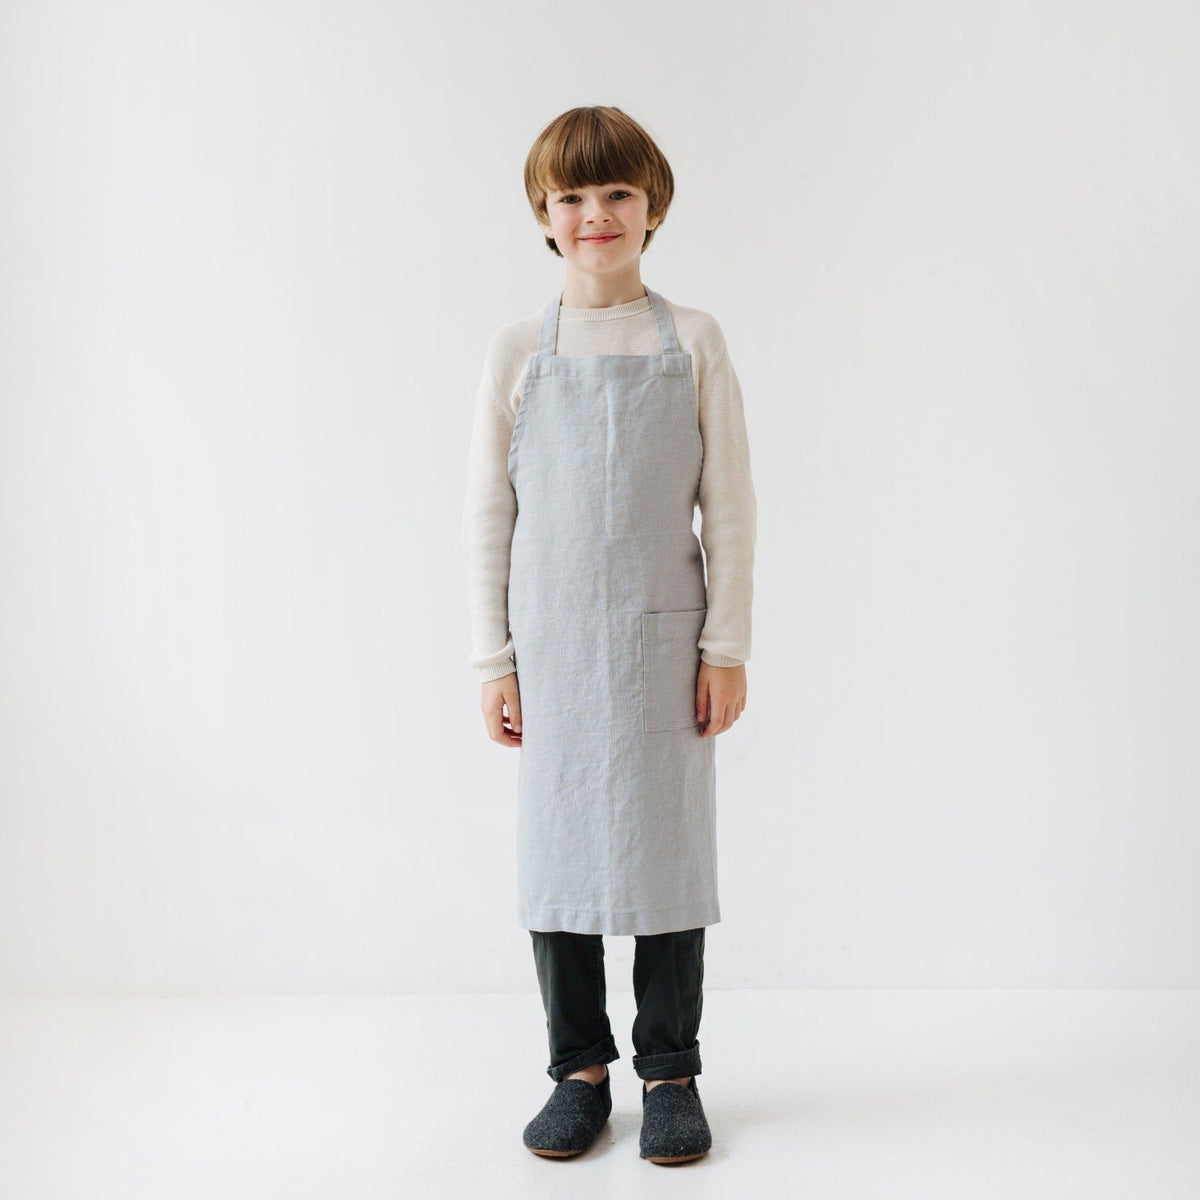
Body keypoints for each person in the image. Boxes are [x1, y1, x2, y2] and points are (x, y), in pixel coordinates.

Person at [461, 105, 756, 1164]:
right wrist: (494, 659)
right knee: (561, 859)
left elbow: (728, 504)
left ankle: (670, 1069)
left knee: (670, 861)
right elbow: (489, 511)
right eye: (573, 196)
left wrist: (725, 645)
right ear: (544, 215)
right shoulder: (514, 350)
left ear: (653, 208)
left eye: (618, 194)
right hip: (551, 649)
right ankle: (577, 1068)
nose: (597, 214)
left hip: (664, 647)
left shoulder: (693, 339)